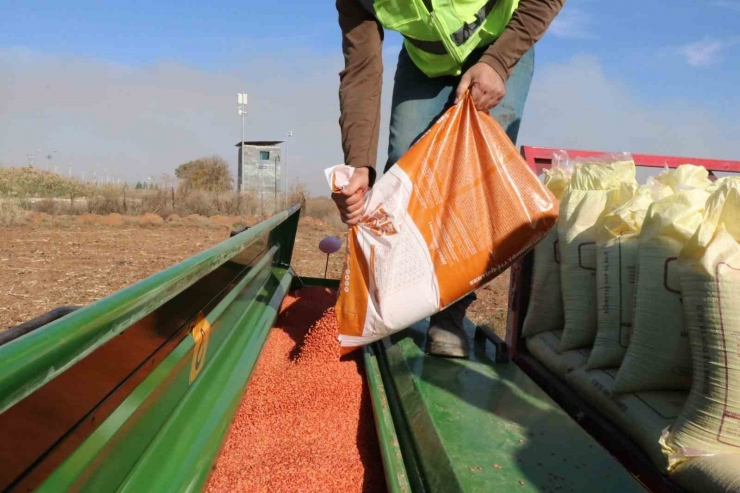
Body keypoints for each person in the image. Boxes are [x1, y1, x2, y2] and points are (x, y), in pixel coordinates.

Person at [333, 0, 565, 358]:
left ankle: (451, 313)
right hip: (427, 65)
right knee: (403, 167)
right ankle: (400, 301)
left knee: (475, 178)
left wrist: (498, 62)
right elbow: (361, 70)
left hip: (500, 41)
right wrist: (359, 164)